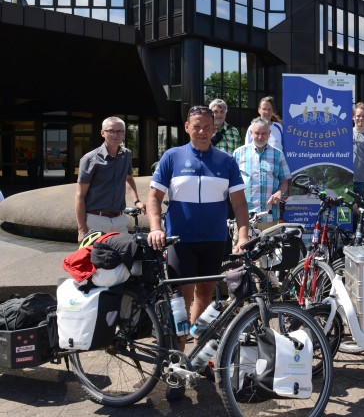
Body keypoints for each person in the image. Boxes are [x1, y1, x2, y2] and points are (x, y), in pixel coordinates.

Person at [147, 105, 249, 353]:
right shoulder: (173, 156)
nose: (202, 132)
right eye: (197, 127)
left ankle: (198, 353)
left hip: (214, 240)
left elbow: (239, 203)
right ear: (187, 128)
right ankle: (176, 360)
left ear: (214, 128)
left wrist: (244, 235)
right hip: (180, 241)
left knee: (206, 295)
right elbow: (153, 198)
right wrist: (155, 228)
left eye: (207, 127)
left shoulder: (226, 161)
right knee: (180, 300)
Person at [75, 116, 144, 241]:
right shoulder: (89, 159)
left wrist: (137, 201)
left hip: (119, 219)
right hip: (96, 221)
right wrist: (82, 229)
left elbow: (128, 178)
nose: (115, 135)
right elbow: (80, 196)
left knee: (125, 258)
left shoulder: (126, 154)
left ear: (124, 133)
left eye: (119, 131)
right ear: (102, 133)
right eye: (111, 131)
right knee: (95, 260)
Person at [234, 117, 292, 227]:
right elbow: (231, 182)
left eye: (264, 133)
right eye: (257, 133)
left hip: (269, 216)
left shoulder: (278, 154)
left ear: (269, 133)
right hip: (244, 215)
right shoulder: (238, 153)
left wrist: (279, 192)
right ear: (251, 133)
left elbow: (284, 181)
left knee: (270, 245)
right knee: (242, 244)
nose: (260, 137)